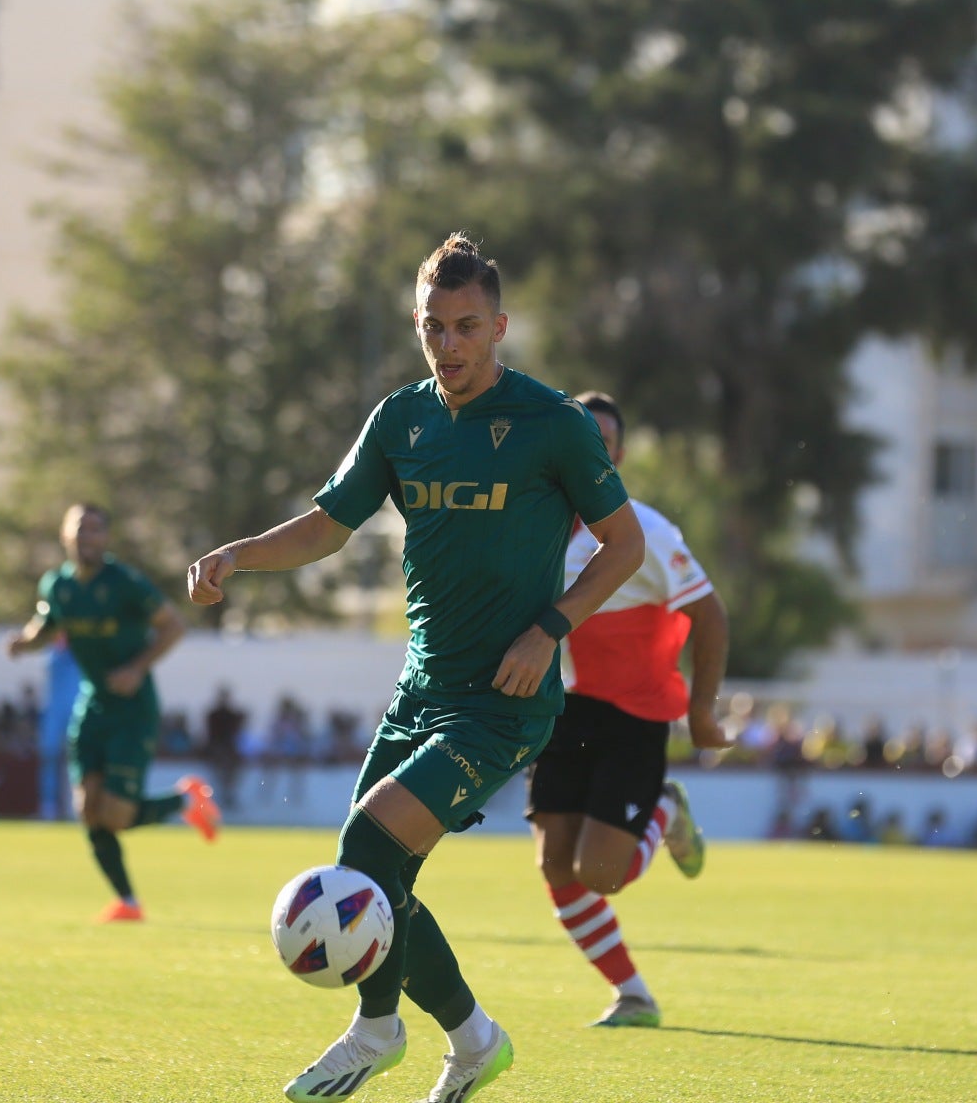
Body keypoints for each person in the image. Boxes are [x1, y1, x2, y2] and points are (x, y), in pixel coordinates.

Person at [185, 235, 643, 1103]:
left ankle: (378, 1031)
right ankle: (474, 1041)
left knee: (363, 848)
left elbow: (625, 546)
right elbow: (327, 526)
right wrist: (236, 556)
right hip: (420, 690)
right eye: (433, 327)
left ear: (500, 326)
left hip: (505, 705)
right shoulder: (402, 419)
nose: (450, 345)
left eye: (468, 326)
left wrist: (549, 628)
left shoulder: (555, 424)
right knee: (374, 880)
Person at [525, 389, 730, 1031]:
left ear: (617, 454)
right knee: (556, 866)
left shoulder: (648, 529)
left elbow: (711, 615)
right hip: (563, 711)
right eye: (583, 436)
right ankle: (633, 995)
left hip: (635, 716)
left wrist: (701, 714)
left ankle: (665, 807)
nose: (595, 448)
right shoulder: (534, 529)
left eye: (605, 440)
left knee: (601, 874)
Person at [6, 502, 219, 923]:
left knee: (116, 815)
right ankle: (128, 902)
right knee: (88, 809)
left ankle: (185, 801)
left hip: (133, 709)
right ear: (65, 536)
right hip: (94, 706)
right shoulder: (58, 585)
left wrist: (136, 668)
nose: (88, 537)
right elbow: (45, 627)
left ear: (105, 538)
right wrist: (22, 643)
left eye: (96, 529)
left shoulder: (124, 582)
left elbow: (173, 625)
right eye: (80, 529)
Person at [37, 641, 84, 820]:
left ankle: (78, 806)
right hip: (54, 711)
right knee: (49, 758)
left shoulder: (82, 649)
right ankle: (48, 806)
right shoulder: (51, 651)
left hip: (77, 710)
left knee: (79, 759)